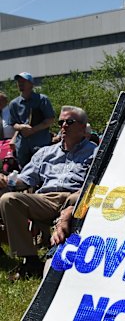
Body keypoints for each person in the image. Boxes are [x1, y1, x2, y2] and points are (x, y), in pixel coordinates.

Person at [0, 105, 96, 280]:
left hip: (75, 197)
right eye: (61, 122)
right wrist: (7, 181)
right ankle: (30, 260)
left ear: (82, 127)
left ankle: (59, 253)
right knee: (8, 199)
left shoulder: (95, 152)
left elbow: (96, 183)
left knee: (79, 196)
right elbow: (25, 179)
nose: (63, 126)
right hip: (46, 199)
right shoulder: (45, 152)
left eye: (70, 122)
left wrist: (78, 196)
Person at [8, 72, 55, 168]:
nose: (20, 83)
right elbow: (13, 123)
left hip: (40, 143)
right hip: (22, 146)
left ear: (31, 84)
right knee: (24, 172)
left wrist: (33, 130)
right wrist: (21, 127)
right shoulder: (14, 104)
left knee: (43, 169)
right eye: (18, 81)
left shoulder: (42, 99)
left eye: (23, 81)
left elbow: (50, 119)